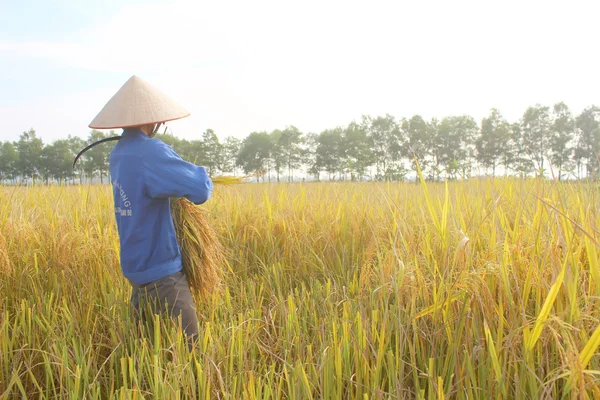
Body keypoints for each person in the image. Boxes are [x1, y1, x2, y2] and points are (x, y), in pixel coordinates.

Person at [80, 75, 213, 346]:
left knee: (146, 357)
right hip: (164, 278)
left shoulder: (119, 154)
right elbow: (201, 189)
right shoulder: (150, 152)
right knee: (190, 358)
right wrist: (198, 173)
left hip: (137, 274)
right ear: (152, 119)